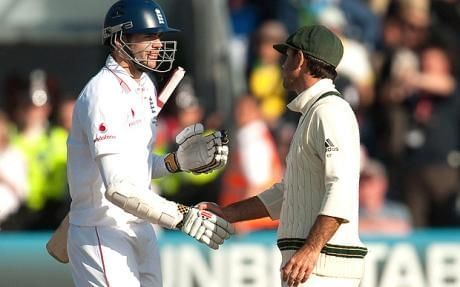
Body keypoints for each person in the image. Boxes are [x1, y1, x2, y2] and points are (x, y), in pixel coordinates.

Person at [65, 1, 234, 286]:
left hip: (141, 224)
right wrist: (181, 215)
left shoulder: (145, 84)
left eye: (158, 36)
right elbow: (117, 188)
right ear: (120, 40)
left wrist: (175, 162)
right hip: (102, 228)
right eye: (148, 36)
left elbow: (136, 167)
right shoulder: (102, 93)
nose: (158, 44)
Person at [199, 25, 368, 287]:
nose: (281, 65)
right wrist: (227, 213)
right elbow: (287, 193)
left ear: (300, 59)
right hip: (310, 267)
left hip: (321, 269)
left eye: (286, 56)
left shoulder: (330, 111)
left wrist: (311, 250)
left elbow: (342, 188)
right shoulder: (314, 112)